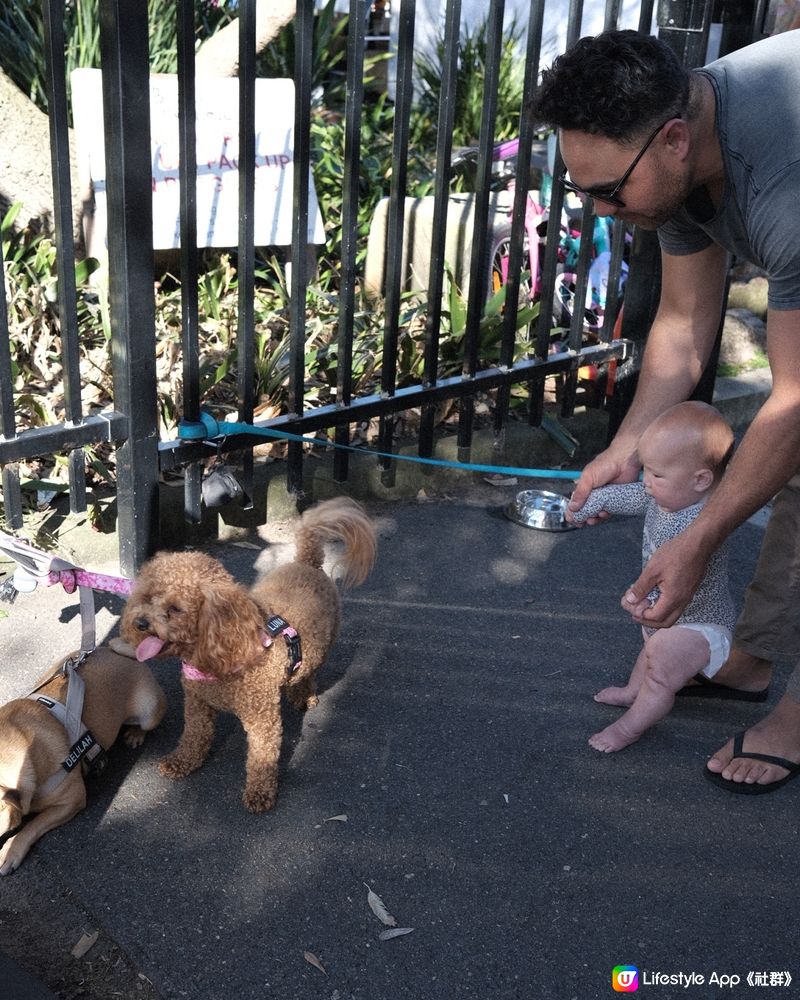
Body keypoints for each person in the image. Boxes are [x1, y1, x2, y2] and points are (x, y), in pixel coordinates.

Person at [530, 28, 800, 791]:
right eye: (581, 191)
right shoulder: (677, 150)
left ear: (675, 141)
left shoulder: (782, 184)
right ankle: (747, 663)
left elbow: (795, 400)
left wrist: (701, 538)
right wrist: (629, 446)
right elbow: (682, 330)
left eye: (608, 193)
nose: (601, 211)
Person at [572, 402, 736, 752]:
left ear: (701, 480)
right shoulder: (666, 495)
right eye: (646, 470)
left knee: (660, 666)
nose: (646, 482)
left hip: (702, 625)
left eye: (657, 475)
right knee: (651, 646)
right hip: (671, 614)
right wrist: (590, 499)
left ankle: (629, 728)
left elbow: (688, 581)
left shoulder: (702, 521)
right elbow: (628, 494)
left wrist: (638, 596)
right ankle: (634, 692)